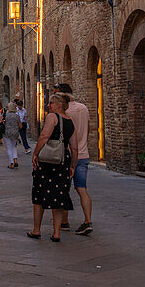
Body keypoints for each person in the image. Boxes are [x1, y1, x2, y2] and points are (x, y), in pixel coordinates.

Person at [28, 93, 77, 242]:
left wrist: (35, 153)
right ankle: (56, 233)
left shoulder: (52, 117)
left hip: (47, 161)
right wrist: (73, 165)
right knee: (59, 195)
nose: (48, 105)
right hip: (63, 161)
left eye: (51, 103)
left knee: (39, 194)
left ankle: (36, 230)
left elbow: (44, 136)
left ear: (59, 106)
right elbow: (74, 148)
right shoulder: (70, 121)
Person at [55, 83, 93, 235]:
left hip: (67, 156)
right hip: (83, 155)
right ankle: (87, 221)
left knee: (63, 189)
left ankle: (64, 221)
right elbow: (88, 129)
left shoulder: (63, 112)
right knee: (81, 188)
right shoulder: (83, 108)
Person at [4, 101, 21, 168]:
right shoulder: (17, 116)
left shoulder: (6, 115)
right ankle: (15, 160)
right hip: (15, 133)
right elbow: (20, 126)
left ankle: (11, 163)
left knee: (9, 147)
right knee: (14, 146)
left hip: (7, 132)